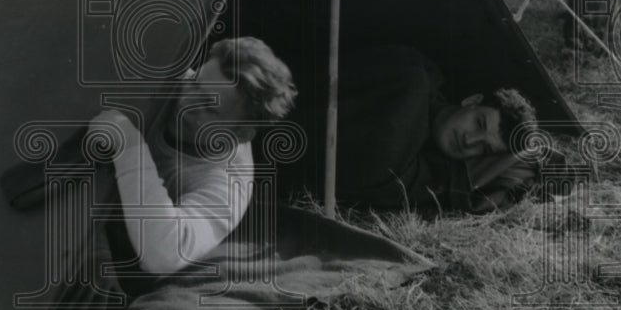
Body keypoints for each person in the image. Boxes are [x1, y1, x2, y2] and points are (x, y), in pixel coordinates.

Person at [89, 36, 297, 275]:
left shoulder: (226, 187)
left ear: (240, 133)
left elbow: (165, 255)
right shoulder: (179, 79)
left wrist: (129, 147)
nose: (185, 101)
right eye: (195, 82)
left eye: (208, 105)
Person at [336, 45, 538, 216]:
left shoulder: (433, 175)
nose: (470, 141)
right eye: (479, 123)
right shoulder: (412, 79)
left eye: (483, 148)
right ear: (471, 101)